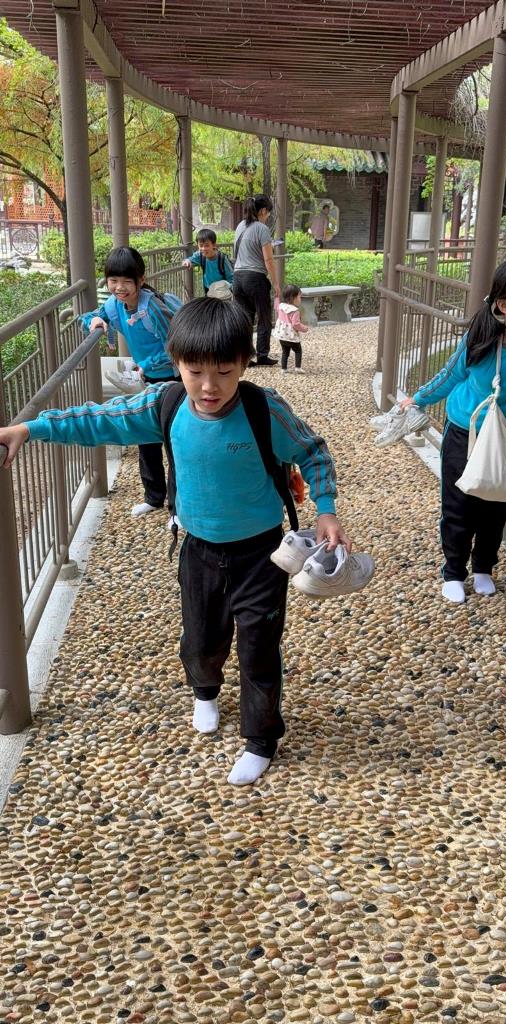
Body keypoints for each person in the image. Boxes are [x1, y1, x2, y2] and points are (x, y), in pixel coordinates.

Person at [0, 299, 351, 786]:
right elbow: (99, 419)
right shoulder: (164, 404)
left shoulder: (262, 409)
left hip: (264, 554)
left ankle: (261, 738)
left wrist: (326, 508)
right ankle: (205, 691)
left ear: (244, 364)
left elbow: (312, 451)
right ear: (176, 363)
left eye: (224, 372)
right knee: (200, 640)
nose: (209, 387)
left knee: (259, 647)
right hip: (199, 549)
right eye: (195, 371)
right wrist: (29, 428)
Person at [399, 257, 506, 605]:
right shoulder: (481, 337)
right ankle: (453, 572)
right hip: (464, 432)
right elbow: (450, 375)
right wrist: (418, 399)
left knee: (496, 504)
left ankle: (484, 567)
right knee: (459, 507)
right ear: (504, 305)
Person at [81, 246, 181, 519]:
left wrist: (146, 364)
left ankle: (179, 507)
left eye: (127, 281)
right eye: (113, 280)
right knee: (146, 436)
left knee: (174, 442)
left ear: (141, 279)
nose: (119, 287)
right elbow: (88, 317)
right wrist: (95, 320)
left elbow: (177, 345)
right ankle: (154, 497)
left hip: (173, 379)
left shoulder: (153, 308)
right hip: (145, 379)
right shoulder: (114, 306)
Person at [233, 194, 280, 367]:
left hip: (238, 278)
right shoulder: (262, 229)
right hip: (255, 278)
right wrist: (276, 283)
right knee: (264, 317)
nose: (268, 215)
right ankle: (262, 355)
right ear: (263, 211)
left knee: (244, 319)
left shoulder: (240, 226)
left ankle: (245, 356)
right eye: (268, 212)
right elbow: (268, 260)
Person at [182, 228, 234, 296]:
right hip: (208, 290)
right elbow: (191, 258)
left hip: (222, 292)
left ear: (214, 245)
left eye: (206, 245)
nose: (203, 248)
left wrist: (230, 290)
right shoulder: (200, 255)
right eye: (201, 245)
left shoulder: (222, 258)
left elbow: (231, 277)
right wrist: (187, 260)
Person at [272, 284, 310, 374]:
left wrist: (276, 297)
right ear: (293, 298)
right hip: (291, 336)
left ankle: (283, 369)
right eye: (299, 297)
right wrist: (304, 329)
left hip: (282, 336)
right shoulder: (294, 311)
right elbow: (295, 324)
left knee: (285, 352)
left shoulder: (281, 306)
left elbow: (275, 306)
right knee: (298, 351)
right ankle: (298, 367)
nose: (300, 299)